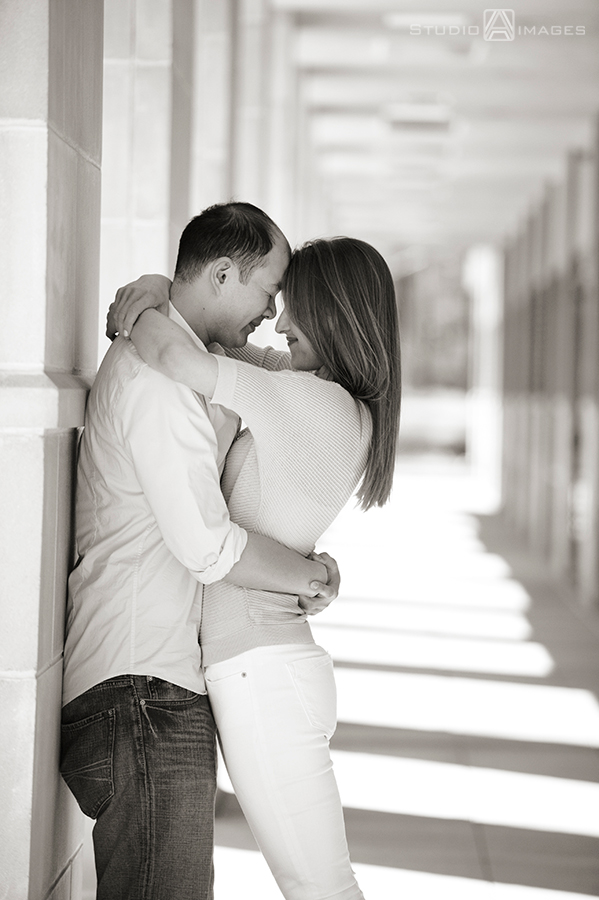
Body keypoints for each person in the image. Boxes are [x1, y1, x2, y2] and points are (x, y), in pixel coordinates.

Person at [60, 202, 340, 900]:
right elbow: (207, 547)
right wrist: (305, 575)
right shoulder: (159, 380)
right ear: (221, 273)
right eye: (266, 293)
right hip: (139, 692)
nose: (270, 314)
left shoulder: (187, 358)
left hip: (149, 690)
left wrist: (154, 285)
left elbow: (294, 377)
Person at [110, 234, 402, 900]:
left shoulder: (306, 401)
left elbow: (174, 353)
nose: (277, 320)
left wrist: (146, 298)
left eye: (289, 304)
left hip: (262, 676)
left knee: (319, 887)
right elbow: (214, 338)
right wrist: (161, 285)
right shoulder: (317, 397)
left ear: (331, 314)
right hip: (268, 668)